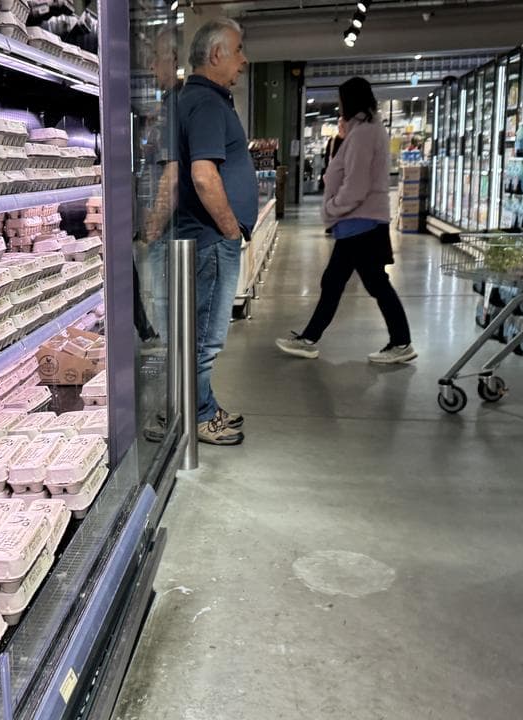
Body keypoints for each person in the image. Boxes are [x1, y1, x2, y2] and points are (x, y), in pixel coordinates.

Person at [145, 17, 255, 447]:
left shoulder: (182, 100)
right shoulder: (208, 103)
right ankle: (199, 414)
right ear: (216, 55)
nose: (244, 60)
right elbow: (203, 176)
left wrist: (153, 226)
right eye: (239, 50)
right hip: (211, 240)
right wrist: (230, 231)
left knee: (189, 335)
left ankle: (190, 405)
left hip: (194, 238)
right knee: (205, 338)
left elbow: (172, 175)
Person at [275, 77, 415, 364]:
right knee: (357, 282)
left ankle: (312, 339)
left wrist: (334, 207)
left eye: (341, 101)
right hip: (362, 222)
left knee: (349, 282)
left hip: (359, 222)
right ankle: (397, 341)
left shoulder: (364, 133)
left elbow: (356, 184)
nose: (339, 106)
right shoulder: (367, 130)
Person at [137, 30, 183, 344]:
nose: (153, 68)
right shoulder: (170, 104)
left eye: (157, 60)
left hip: (166, 230)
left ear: (174, 60)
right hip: (166, 229)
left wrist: (154, 222)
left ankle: (178, 382)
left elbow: (173, 171)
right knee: (167, 304)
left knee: (167, 306)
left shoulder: (173, 106)